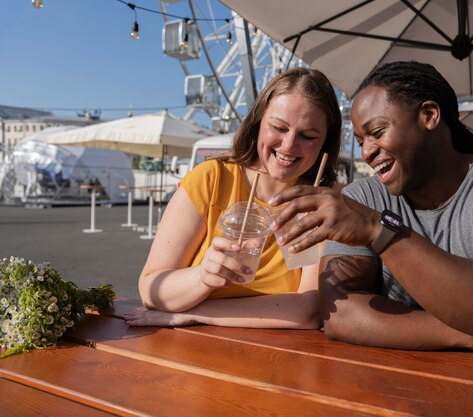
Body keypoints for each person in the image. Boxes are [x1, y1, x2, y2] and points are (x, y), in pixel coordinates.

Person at [269, 61, 473, 360]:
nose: (367, 152)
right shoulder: (364, 196)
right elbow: (341, 315)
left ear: (429, 115)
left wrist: (380, 230)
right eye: (361, 141)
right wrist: (467, 334)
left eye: (377, 131)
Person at [124, 67, 341, 329]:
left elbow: (309, 310)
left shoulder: (323, 205)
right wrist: (203, 276)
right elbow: (151, 289)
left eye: (307, 136)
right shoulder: (211, 179)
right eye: (279, 127)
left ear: (326, 143)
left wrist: (196, 313)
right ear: (259, 121)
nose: (288, 145)